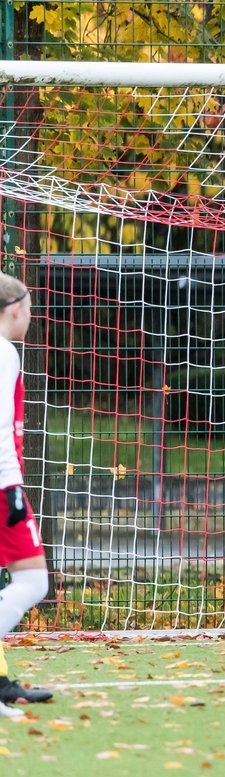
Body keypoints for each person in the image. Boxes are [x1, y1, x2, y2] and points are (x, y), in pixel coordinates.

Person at [0, 274, 53, 717]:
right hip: (2, 486)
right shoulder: (5, 354)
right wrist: (12, 490)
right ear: (15, 309)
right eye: (30, 308)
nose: (31, 317)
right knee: (33, 583)